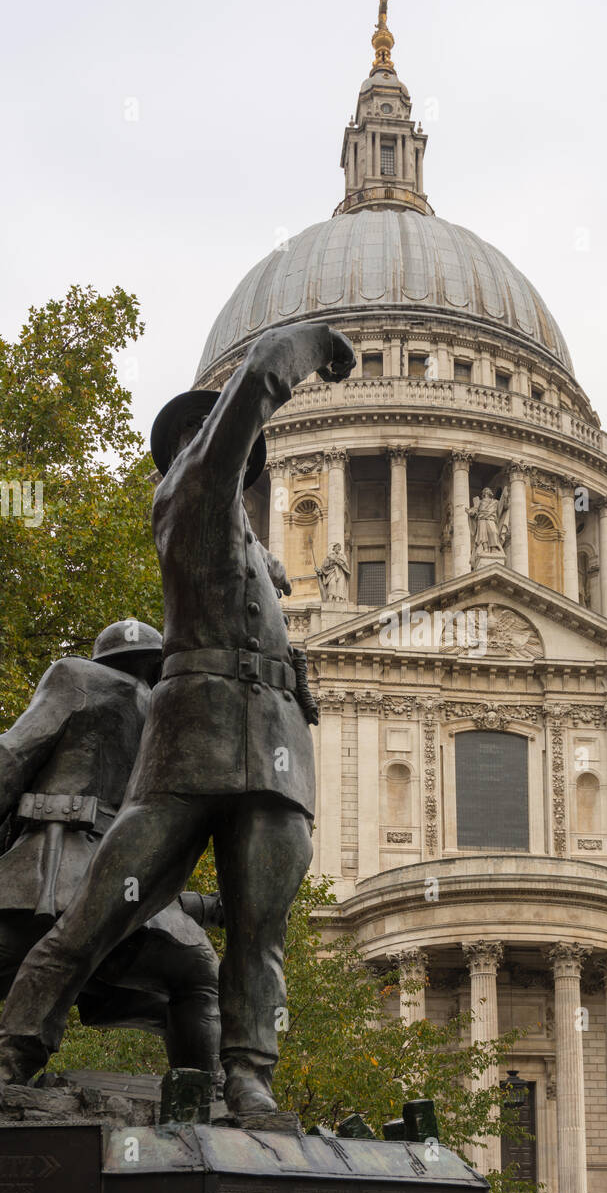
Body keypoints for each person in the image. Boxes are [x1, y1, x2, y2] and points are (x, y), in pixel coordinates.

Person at [0, 322, 356, 1118]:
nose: (215, 442)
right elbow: (257, 381)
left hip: (271, 754)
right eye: (203, 432)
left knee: (260, 934)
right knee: (100, 907)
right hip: (193, 739)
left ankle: (248, 1075)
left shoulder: (260, 565)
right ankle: (16, 1049)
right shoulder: (191, 495)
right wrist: (309, 350)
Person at [0, 621, 220, 1073]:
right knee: (196, 975)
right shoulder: (168, 717)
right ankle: (204, 1099)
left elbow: (13, 756)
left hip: (54, 878)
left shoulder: (78, 677)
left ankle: (11, 1065)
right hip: (99, 884)